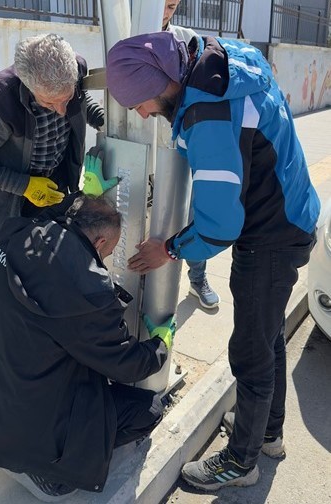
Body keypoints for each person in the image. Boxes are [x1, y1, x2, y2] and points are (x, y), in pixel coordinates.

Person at [106, 32, 320, 491]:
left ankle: (241, 462)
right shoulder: (217, 63)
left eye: (140, 103)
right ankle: (266, 432)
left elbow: (220, 227)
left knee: (250, 352)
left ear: (161, 83)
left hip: (270, 237)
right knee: (267, 337)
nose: (141, 114)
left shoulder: (208, 113)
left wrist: (169, 248)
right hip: (287, 213)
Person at [0, 195, 175, 501]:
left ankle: (20, 446)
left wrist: (84, 197)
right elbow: (128, 365)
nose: (103, 261)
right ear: (100, 242)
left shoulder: (20, 232)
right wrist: (160, 345)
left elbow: (57, 211)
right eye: (106, 253)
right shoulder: (87, 290)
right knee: (149, 410)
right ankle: (51, 471)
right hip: (20, 421)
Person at [0, 33, 105, 253]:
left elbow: (81, 99)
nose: (62, 111)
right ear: (28, 85)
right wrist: (23, 185)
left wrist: (102, 120)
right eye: (49, 103)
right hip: (10, 204)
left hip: (58, 189)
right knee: (8, 268)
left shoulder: (75, 67)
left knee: (51, 261)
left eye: (67, 98)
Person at [161, 0, 220, 310]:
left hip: (185, 144)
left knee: (195, 213)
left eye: (171, 5)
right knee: (148, 215)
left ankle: (197, 278)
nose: (165, 10)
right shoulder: (128, 37)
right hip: (146, 145)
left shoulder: (187, 39)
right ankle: (143, 284)